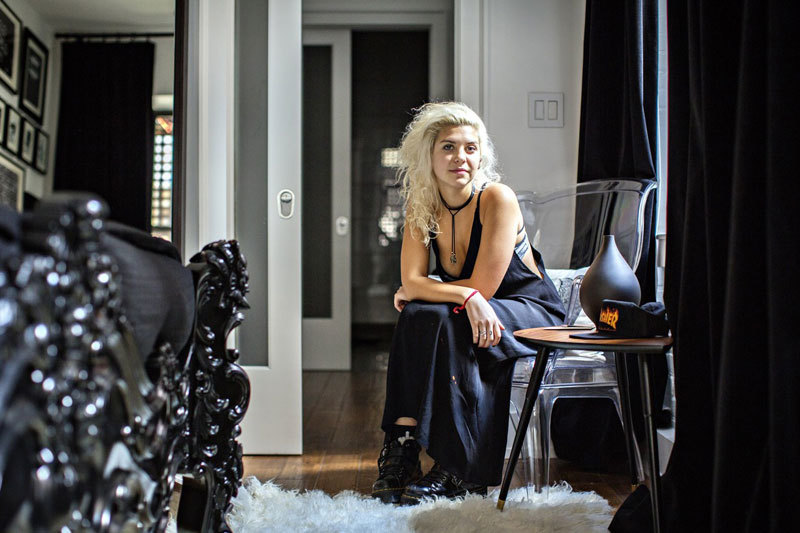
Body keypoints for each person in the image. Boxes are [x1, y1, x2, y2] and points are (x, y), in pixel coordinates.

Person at [372, 102, 566, 505]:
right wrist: (458, 294)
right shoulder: (421, 205)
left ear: (481, 156)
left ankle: (460, 469)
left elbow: (482, 287)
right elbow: (413, 282)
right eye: (448, 147)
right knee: (418, 313)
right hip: (473, 306)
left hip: (530, 310)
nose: (461, 157)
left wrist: (442, 290)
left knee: (447, 317)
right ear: (428, 156)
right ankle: (403, 445)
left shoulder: (497, 198)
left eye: (470, 148)